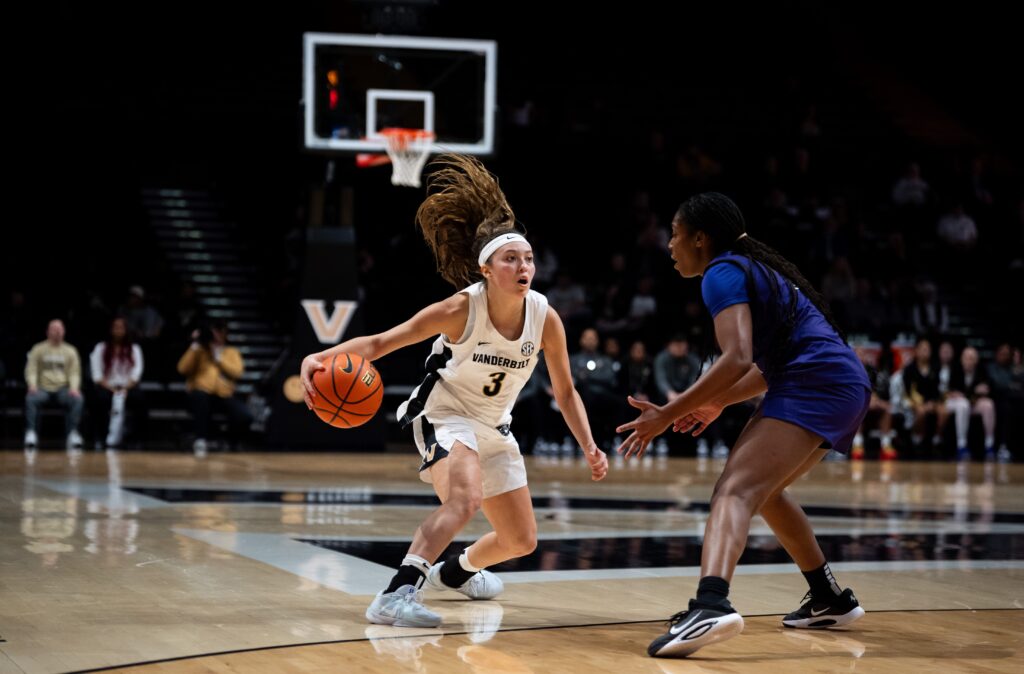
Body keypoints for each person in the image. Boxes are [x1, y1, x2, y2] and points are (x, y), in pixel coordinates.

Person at [300, 154, 608, 628]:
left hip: (493, 425)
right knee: (464, 500)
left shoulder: (546, 317)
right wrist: (318, 359)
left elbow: (566, 393)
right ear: (487, 269)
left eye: (528, 258)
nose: (523, 265)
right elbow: (382, 343)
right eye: (511, 259)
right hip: (443, 415)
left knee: (521, 540)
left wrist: (588, 445)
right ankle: (395, 595)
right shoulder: (460, 308)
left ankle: (456, 572)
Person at [615, 193, 870, 658]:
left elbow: (736, 356)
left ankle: (710, 602)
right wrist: (715, 402)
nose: (669, 245)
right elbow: (764, 364)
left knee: (733, 492)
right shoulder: (755, 269)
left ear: (700, 237)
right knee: (764, 493)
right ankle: (828, 597)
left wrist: (665, 415)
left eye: (675, 234)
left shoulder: (722, 272)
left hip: (817, 383)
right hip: (838, 383)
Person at [176, 319, 252, 454]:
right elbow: (182, 369)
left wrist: (218, 358)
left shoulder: (231, 352)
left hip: (223, 395)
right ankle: (200, 440)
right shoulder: (199, 350)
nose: (215, 335)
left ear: (224, 334)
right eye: (213, 332)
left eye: (219, 331)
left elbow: (238, 372)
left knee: (245, 415)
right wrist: (194, 345)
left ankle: (230, 442)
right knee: (201, 398)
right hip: (200, 394)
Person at [24, 319, 84, 450]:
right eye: (53, 328)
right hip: (42, 388)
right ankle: (31, 433)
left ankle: (73, 433)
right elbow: (32, 369)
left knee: (77, 399)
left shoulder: (71, 351)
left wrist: (74, 388)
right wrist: (32, 385)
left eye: (59, 329)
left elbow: (75, 372)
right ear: (47, 332)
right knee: (31, 398)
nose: (57, 331)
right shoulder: (38, 349)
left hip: (63, 389)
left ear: (64, 331)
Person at [89, 317, 145, 448]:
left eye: (121, 327)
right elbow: (97, 374)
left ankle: (135, 439)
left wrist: (126, 388)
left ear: (126, 330)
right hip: (107, 386)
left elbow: (137, 373)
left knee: (140, 400)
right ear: (110, 330)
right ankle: (100, 437)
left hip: (128, 387)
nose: (118, 330)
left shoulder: (134, 349)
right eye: (116, 327)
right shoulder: (100, 348)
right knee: (98, 399)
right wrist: (111, 389)